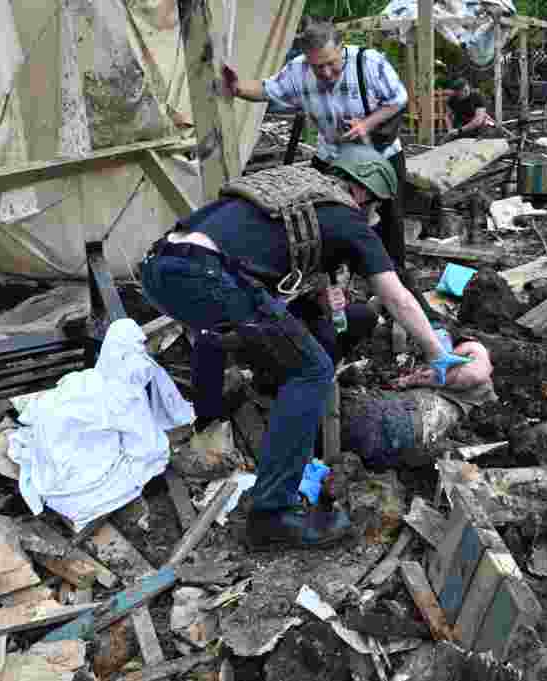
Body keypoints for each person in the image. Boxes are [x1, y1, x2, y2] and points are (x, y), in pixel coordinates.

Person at [140, 144, 470, 550]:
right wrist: (438, 354)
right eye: (379, 207)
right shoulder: (347, 217)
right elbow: (396, 296)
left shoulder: (296, 191)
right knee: (312, 370)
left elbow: (270, 268)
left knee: (261, 336)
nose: (378, 217)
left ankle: (240, 407)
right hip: (208, 276)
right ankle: (272, 514)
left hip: (160, 266)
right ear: (364, 193)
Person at [222, 21, 410, 270]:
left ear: (341, 48)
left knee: (390, 224)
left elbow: (398, 99)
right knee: (327, 222)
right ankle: (339, 279)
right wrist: (237, 88)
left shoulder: (369, 62)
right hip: (333, 159)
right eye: (318, 67)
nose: (326, 73)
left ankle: (394, 276)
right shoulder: (298, 70)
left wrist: (366, 124)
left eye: (331, 63)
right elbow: (268, 89)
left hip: (381, 156)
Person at [442, 78, 489, 142]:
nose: (466, 92)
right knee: (444, 143)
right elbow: (448, 116)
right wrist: (450, 129)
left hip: (477, 128)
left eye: (466, 90)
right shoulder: (452, 99)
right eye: (462, 91)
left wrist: (460, 130)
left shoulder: (477, 97)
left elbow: (478, 120)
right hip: (460, 126)